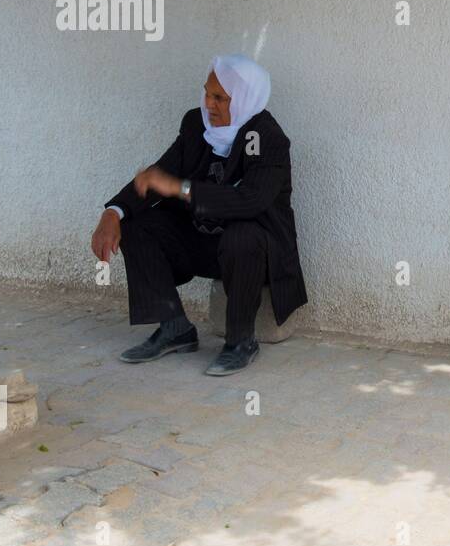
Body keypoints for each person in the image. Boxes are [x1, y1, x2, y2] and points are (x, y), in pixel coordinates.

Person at [89, 54, 308, 376]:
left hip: (255, 253)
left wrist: (181, 188)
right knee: (136, 225)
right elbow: (159, 174)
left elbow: (250, 201)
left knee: (242, 235)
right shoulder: (196, 125)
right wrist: (112, 212)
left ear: (246, 99)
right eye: (207, 93)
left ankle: (240, 341)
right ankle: (174, 327)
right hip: (205, 242)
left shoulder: (266, 138)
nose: (209, 104)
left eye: (220, 97)